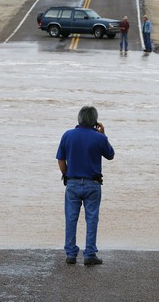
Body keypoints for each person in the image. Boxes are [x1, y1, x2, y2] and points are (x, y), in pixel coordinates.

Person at [56, 106, 115, 266]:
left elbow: (61, 160)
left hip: (73, 181)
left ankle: (70, 253)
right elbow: (110, 155)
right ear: (94, 121)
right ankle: (89, 253)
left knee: (71, 218)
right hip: (93, 183)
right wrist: (103, 135)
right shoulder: (98, 138)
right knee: (92, 218)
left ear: (79, 118)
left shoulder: (68, 135)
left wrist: (66, 174)